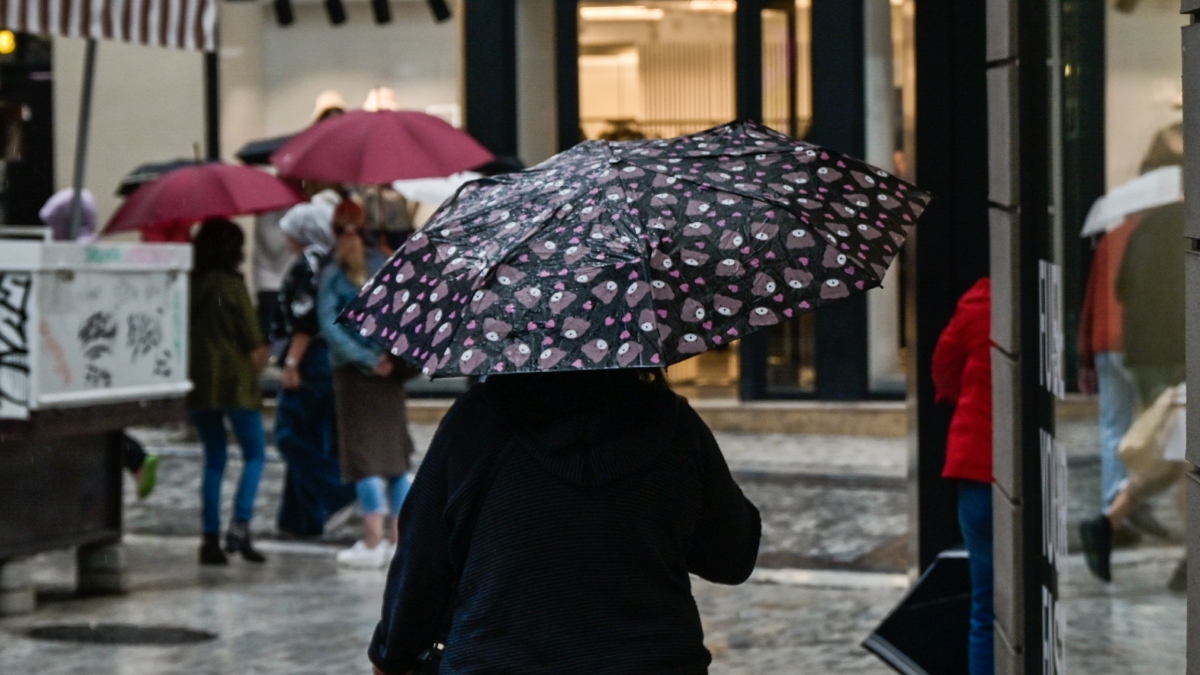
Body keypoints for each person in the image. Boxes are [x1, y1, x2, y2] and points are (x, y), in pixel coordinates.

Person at [368, 370, 762, 674]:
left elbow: (421, 562)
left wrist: (391, 655)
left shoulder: (476, 422)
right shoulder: (672, 423)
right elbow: (732, 557)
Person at [1080, 200, 1188, 588]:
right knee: (1181, 454)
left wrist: (1087, 352)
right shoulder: (1180, 229)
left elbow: (1118, 289)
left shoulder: (1139, 230)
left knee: (1172, 451)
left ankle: (1109, 520)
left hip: (1141, 350)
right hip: (1173, 355)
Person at [319, 201, 415, 569]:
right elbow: (403, 313)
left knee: (364, 460)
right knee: (395, 459)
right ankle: (399, 541)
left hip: (355, 377)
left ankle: (372, 541)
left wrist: (363, 358)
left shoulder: (332, 273)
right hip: (390, 373)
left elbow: (330, 326)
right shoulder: (384, 264)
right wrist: (387, 355)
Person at [188, 219, 270, 565]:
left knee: (214, 457)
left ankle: (209, 539)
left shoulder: (190, 284)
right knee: (255, 453)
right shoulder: (233, 286)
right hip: (237, 383)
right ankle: (241, 523)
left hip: (199, 383)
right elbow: (254, 341)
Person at [272, 199, 356, 537]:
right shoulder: (332, 261)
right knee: (312, 435)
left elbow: (305, 321)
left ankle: (340, 492)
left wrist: (292, 363)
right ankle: (298, 519)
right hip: (327, 358)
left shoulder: (309, 263)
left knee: (289, 435)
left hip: (311, 358)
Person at [931, 277, 993, 675]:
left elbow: (944, 365)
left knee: (986, 605)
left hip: (977, 462)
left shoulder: (979, 300)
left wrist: (964, 397)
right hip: (1026, 469)